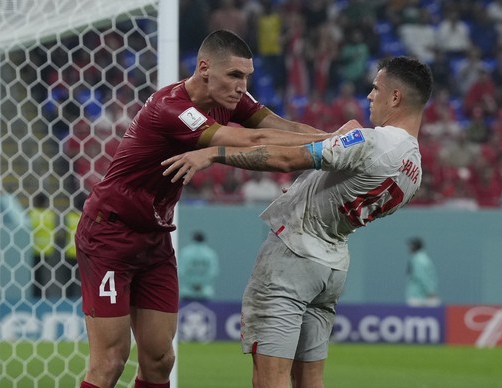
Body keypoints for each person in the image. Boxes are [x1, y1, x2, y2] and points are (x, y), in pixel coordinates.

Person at [74, 29, 349, 388]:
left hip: (154, 240)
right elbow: (254, 140)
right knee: (110, 361)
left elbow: (281, 127)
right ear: (205, 68)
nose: (242, 85)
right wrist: (339, 142)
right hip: (111, 234)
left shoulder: (231, 100)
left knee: (160, 360)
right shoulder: (171, 108)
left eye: (247, 76)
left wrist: (337, 138)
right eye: (235, 75)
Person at [163, 56, 433, 388]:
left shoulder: (371, 141)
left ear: (395, 98)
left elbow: (289, 157)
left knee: (270, 379)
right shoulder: (415, 171)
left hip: (292, 259)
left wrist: (212, 154)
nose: (369, 96)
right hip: (332, 267)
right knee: (310, 380)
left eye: (376, 88)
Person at [178, 231, 220, 302]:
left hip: (187, 291)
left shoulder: (185, 252)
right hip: (204, 292)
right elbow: (213, 272)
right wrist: (201, 284)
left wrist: (192, 284)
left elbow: (181, 270)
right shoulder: (210, 254)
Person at [405, 237, 440, 307]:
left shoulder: (418, 260)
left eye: (410, 245)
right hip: (422, 296)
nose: (408, 248)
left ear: (414, 246)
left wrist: (430, 292)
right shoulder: (424, 258)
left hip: (419, 297)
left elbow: (422, 277)